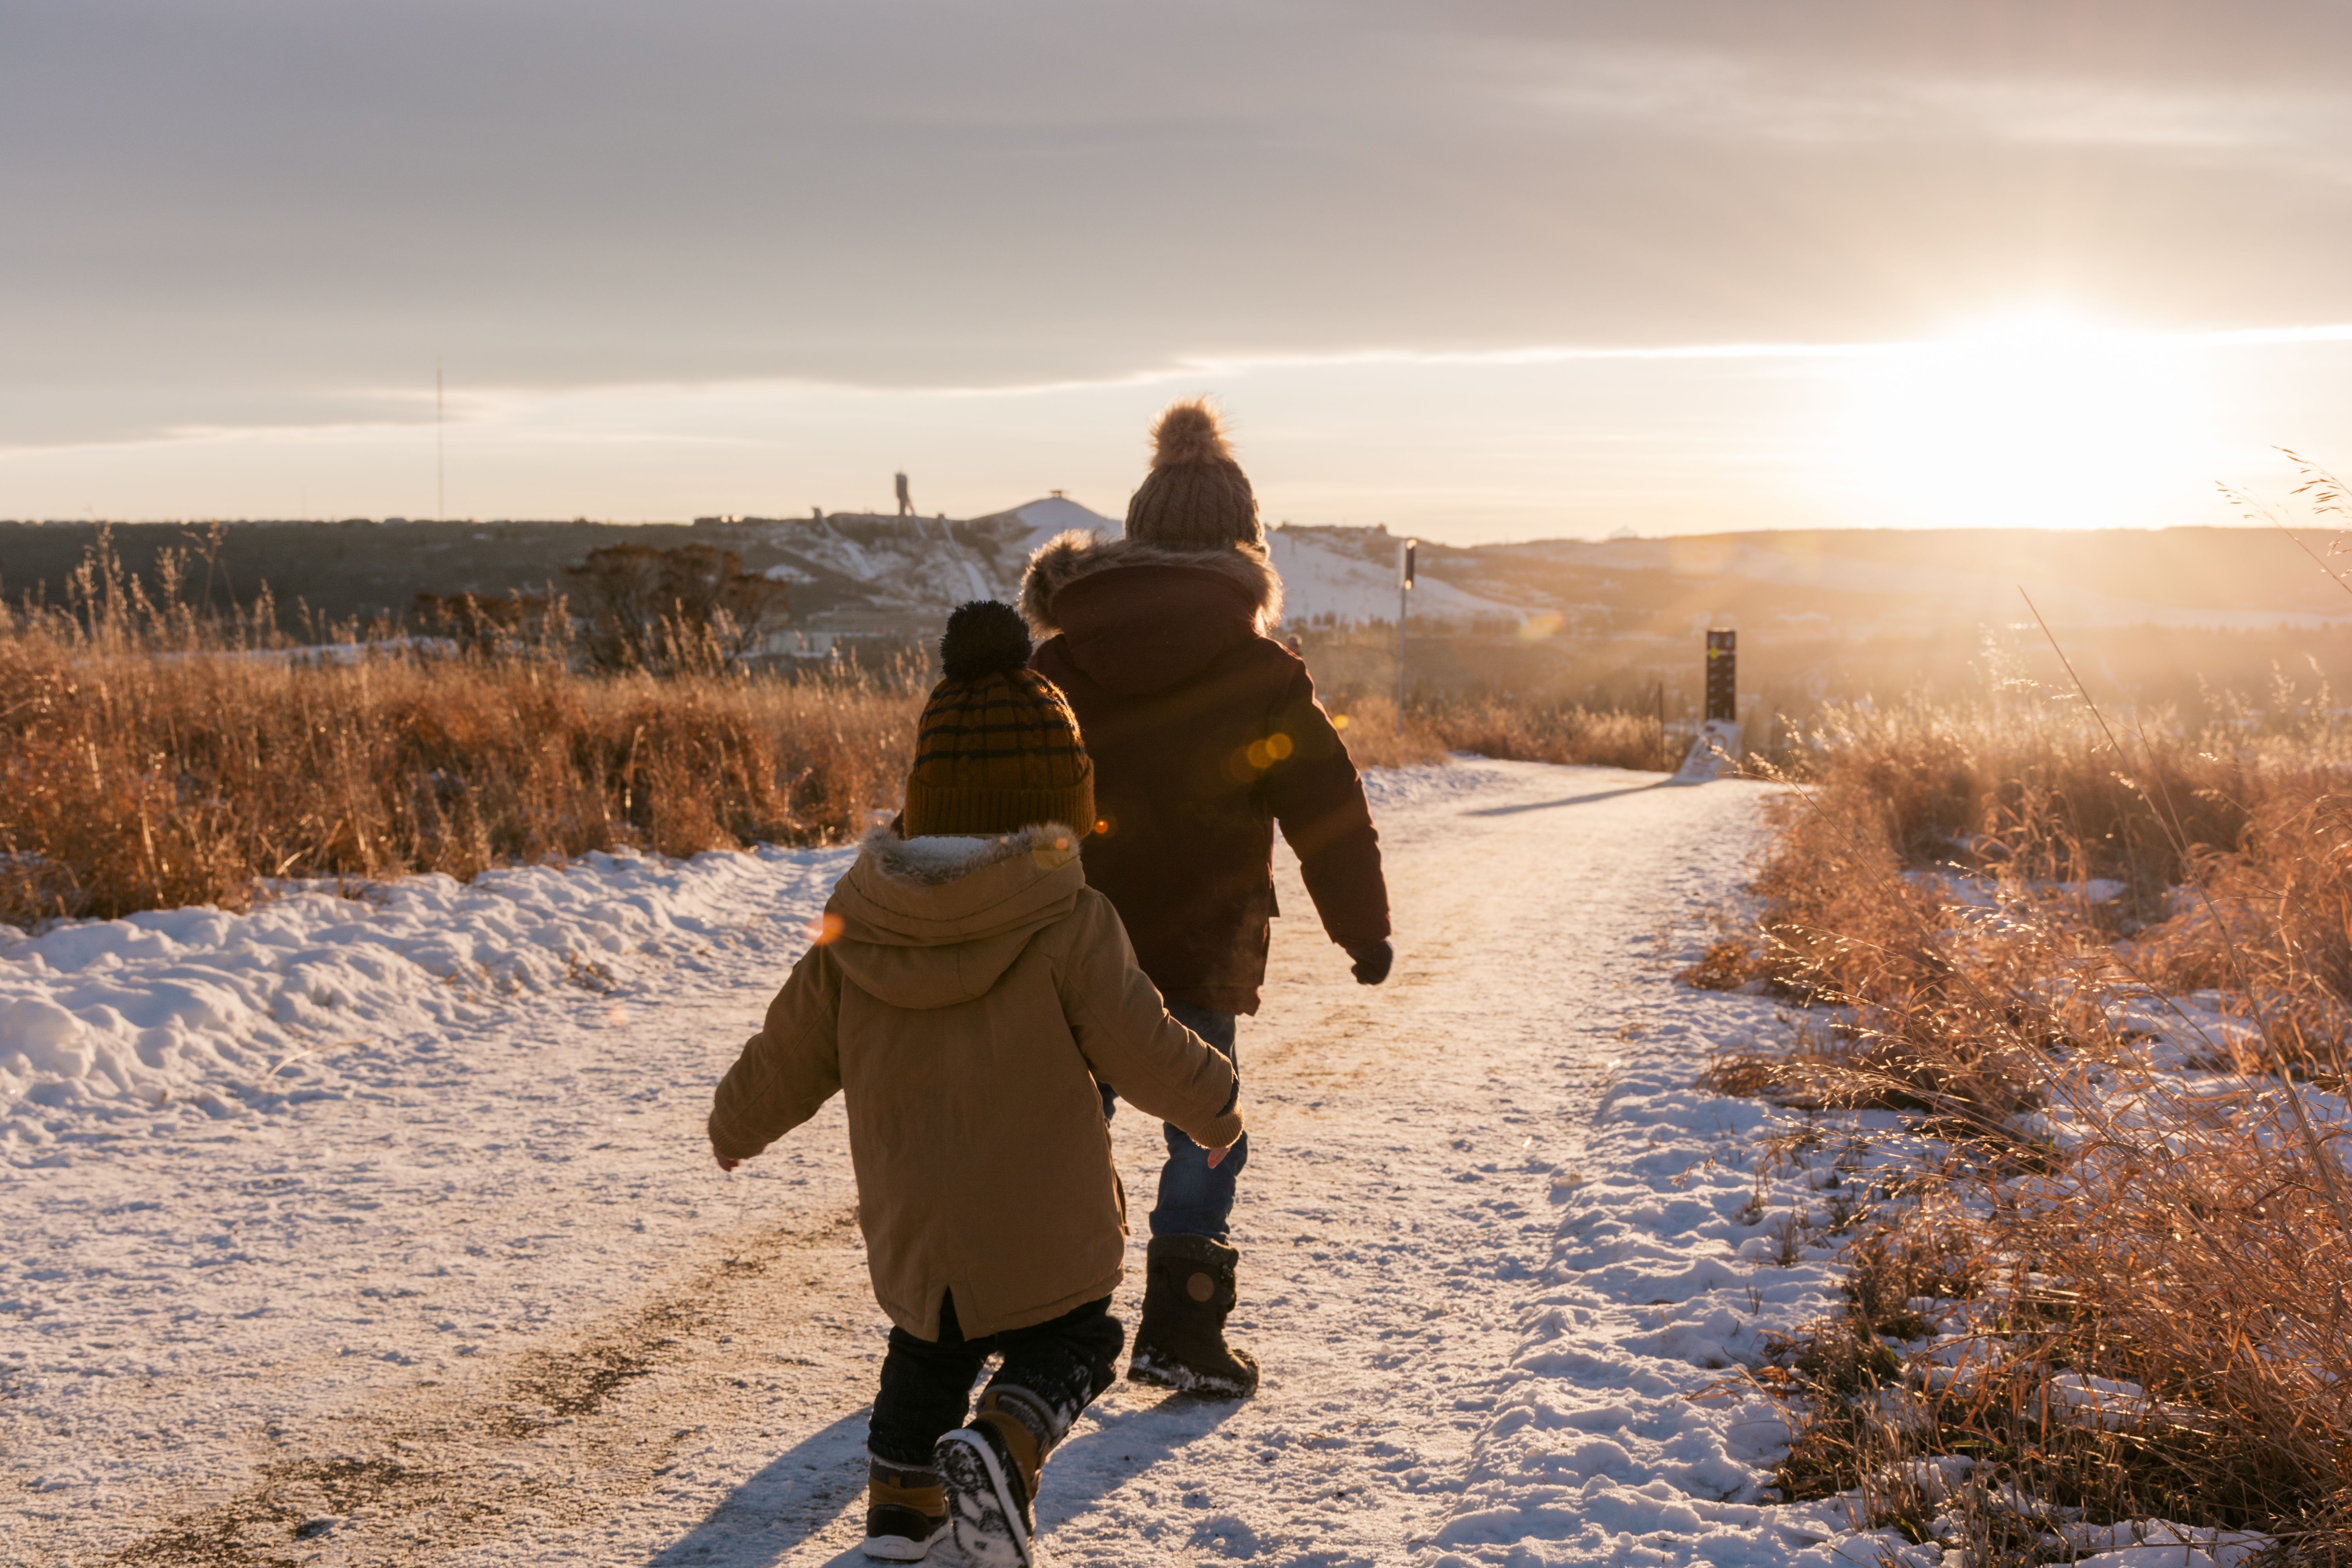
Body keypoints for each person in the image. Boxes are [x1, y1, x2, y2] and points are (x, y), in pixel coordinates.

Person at [707, 601, 1243, 1568]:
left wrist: (736, 1123)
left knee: (926, 1346)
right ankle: (1005, 1444)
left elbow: (787, 1050)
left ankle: (901, 1515)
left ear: (929, 798)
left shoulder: (856, 922)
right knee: (1079, 1338)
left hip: (916, 1227)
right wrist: (1215, 1104)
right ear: (1062, 800)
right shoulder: (1070, 917)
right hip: (1046, 1220)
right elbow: (1143, 1041)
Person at [1019, 398, 1392, 1399]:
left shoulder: (1054, 662)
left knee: (1065, 1122)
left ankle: (1049, 1331)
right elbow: (1327, 810)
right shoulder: (1260, 667)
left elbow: (1000, 797)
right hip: (1202, 941)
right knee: (1205, 1119)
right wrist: (1363, 929)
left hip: (1071, 941)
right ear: (1245, 541)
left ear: (1135, 539)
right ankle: (1182, 1327)